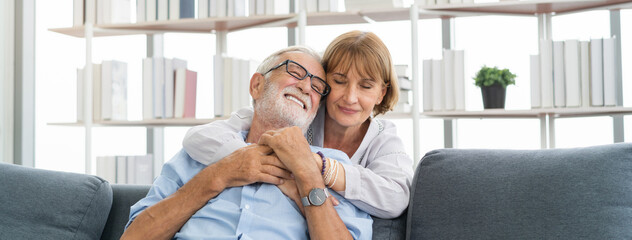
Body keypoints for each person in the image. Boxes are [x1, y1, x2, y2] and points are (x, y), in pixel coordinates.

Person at [121, 46, 372, 240]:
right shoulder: (196, 155)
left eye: (318, 87)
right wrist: (220, 174)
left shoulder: (332, 167)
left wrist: (307, 175)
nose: (307, 86)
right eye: (295, 72)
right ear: (257, 85)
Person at [183, 30, 413, 219]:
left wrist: (316, 167)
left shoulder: (384, 138)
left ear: (381, 93)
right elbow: (199, 138)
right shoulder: (299, 114)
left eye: (365, 86)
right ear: (324, 82)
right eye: (339, 81)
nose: (351, 97)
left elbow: (395, 199)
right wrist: (282, 172)